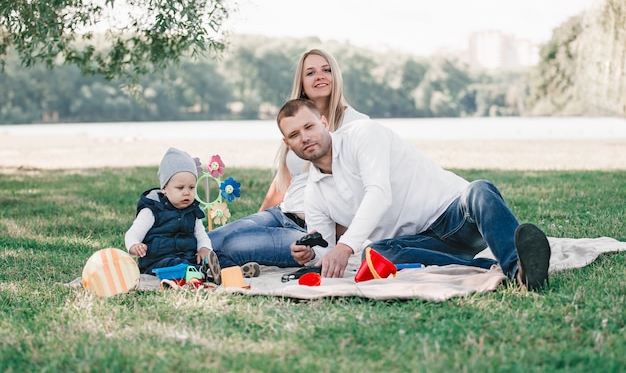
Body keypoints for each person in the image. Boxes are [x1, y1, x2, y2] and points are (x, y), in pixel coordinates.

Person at [279, 99, 551, 290]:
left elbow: (379, 194)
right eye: (294, 134)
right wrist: (309, 255)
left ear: (324, 122)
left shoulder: (363, 134)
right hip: (420, 244)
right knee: (374, 254)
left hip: (455, 214)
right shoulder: (313, 192)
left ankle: (519, 271)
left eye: (309, 127)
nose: (304, 137)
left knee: (479, 189)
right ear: (287, 143)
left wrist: (345, 246)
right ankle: (484, 267)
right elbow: (326, 249)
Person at [209, 49, 369, 268]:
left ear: (336, 76)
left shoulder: (356, 124)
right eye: (310, 73)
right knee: (211, 240)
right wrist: (258, 222)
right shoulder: (294, 120)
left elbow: (365, 190)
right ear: (302, 83)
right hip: (283, 212)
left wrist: (342, 237)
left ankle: (208, 264)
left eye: (326, 70)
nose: (320, 76)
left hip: (311, 230)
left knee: (235, 244)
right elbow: (283, 180)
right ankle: (167, 262)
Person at [124, 147, 222, 284]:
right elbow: (132, 234)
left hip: (188, 257)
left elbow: (201, 235)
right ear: (164, 188)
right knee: (177, 265)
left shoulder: (192, 211)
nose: (187, 192)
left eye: (191, 187)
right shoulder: (152, 210)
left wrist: (204, 249)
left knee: (219, 255)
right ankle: (206, 273)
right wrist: (135, 245)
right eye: (180, 188)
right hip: (157, 261)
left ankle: (231, 270)